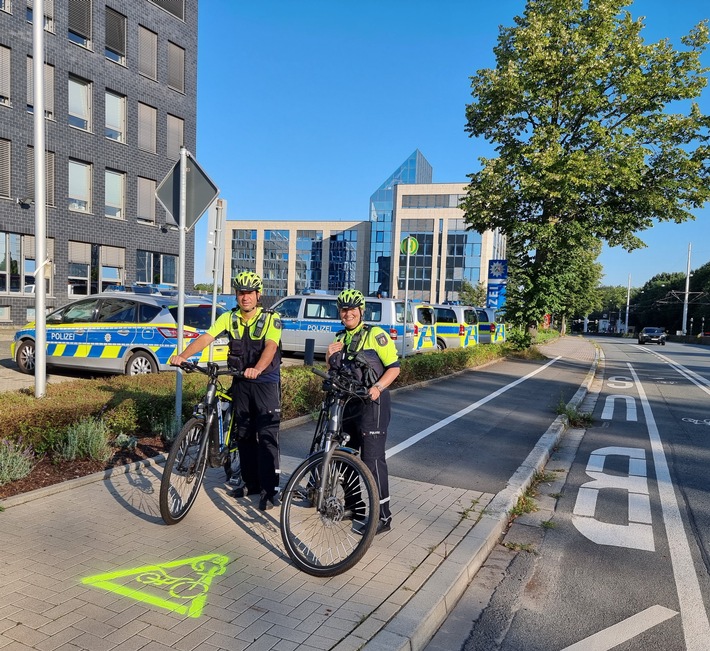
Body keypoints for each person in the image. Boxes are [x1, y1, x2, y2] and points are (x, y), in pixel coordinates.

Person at [170, 271, 282, 511]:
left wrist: (258, 368)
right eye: (241, 293)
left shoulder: (271, 319)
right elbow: (206, 337)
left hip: (265, 384)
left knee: (266, 438)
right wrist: (183, 356)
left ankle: (270, 490)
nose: (245, 297)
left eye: (250, 293)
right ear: (237, 295)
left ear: (258, 295)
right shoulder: (229, 318)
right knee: (243, 436)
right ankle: (251, 484)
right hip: (241, 383)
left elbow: (271, 347)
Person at [326, 288, 401, 534]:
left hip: (373, 405)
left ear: (361, 311)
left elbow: (394, 368)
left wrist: (378, 387)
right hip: (348, 404)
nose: (348, 314)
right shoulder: (339, 338)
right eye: (344, 309)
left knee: (372, 460)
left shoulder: (376, 335)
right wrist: (329, 358)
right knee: (346, 456)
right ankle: (354, 505)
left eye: (352, 309)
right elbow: (335, 374)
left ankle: (383, 517)